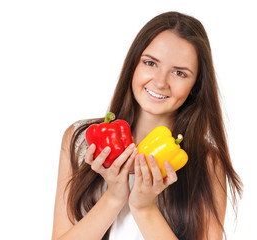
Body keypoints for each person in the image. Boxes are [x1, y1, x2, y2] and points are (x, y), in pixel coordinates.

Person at [52, 11, 242, 240]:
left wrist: (144, 208)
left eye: (179, 73)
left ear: (196, 85)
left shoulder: (207, 162)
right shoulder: (81, 140)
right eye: (151, 63)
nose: (160, 82)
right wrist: (113, 197)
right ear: (133, 64)